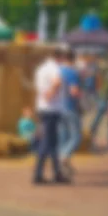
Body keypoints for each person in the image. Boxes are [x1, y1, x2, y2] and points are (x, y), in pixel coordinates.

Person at [32, 48, 68, 185]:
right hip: (52, 108)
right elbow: (57, 81)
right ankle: (38, 174)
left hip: (43, 108)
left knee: (53, 142)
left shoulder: (41, 69)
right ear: (59, 57)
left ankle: (57, 172)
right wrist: (51, 93)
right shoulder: (55, 68)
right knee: (48, 142)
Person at [59, 49, 83, 177]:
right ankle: (64, 156)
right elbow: (73, 91)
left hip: (58, 108)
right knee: (75, 137)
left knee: (63, 137)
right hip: (70, 107)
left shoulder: (58, 71)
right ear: (73, 59)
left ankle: (62, 165)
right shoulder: (72, 73)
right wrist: (81, 95)